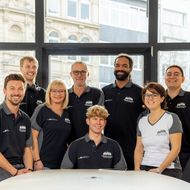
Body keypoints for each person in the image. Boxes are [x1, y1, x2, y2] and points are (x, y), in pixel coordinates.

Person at [102, 53, 143, 170]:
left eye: (124, 66)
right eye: (117, 65)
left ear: (130, 68)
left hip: (132, 147)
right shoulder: (104, 91)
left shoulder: (139, 92)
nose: (120, 68)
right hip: (108, 145)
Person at [134, 82, 183, 179]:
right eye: (147, 95)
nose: (150, 98)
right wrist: (137, 169)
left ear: (162, 98)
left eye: (154, 95)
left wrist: (159, 169)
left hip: (168, 170)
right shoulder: (142, 120)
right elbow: (139, 148)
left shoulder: (171, 118)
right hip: (145, 167)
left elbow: (176, 148)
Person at [61, 105, 127, 170]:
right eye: (95, 119)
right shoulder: (75, 145)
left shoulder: (114, 145)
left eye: (101, 119)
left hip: (106, 181)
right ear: (88, 121)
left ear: (105, 123)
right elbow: (64, 171)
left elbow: (121, 172)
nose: (98, 122)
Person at [31, 80, 71, 170]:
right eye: (54, 91)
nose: (58, 94)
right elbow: (32, 137)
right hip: (44, 163)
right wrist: (37, 160)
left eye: (61, 91)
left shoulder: (67, 112)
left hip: (62, 165)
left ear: (65, 93)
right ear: (49, 93)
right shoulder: (41, 109)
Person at [0, 73, 33, 181]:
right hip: (3, 170)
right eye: (12, 88)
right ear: (5, 91)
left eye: (20, 89)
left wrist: (28, 171)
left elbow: (27, 149)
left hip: (20, 168)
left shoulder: (26, 118)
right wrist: (15, 173)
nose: (16, 92)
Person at [68, 61, 104, 141]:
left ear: (88, 74)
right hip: (68, 143)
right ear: (71, 74)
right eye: (76, 72)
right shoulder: (65, 95)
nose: (79, 75)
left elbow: (99, 120)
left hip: (91, 142)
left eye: (83, 72)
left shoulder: (97, 93)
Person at [164, 65, 190, 173]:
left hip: (185, 152)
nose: (172, 77)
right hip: (162, 151)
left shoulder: (188, 97)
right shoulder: (157, 98)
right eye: (169, 74)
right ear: (165, 78)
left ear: (183, 79)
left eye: (176, 74)